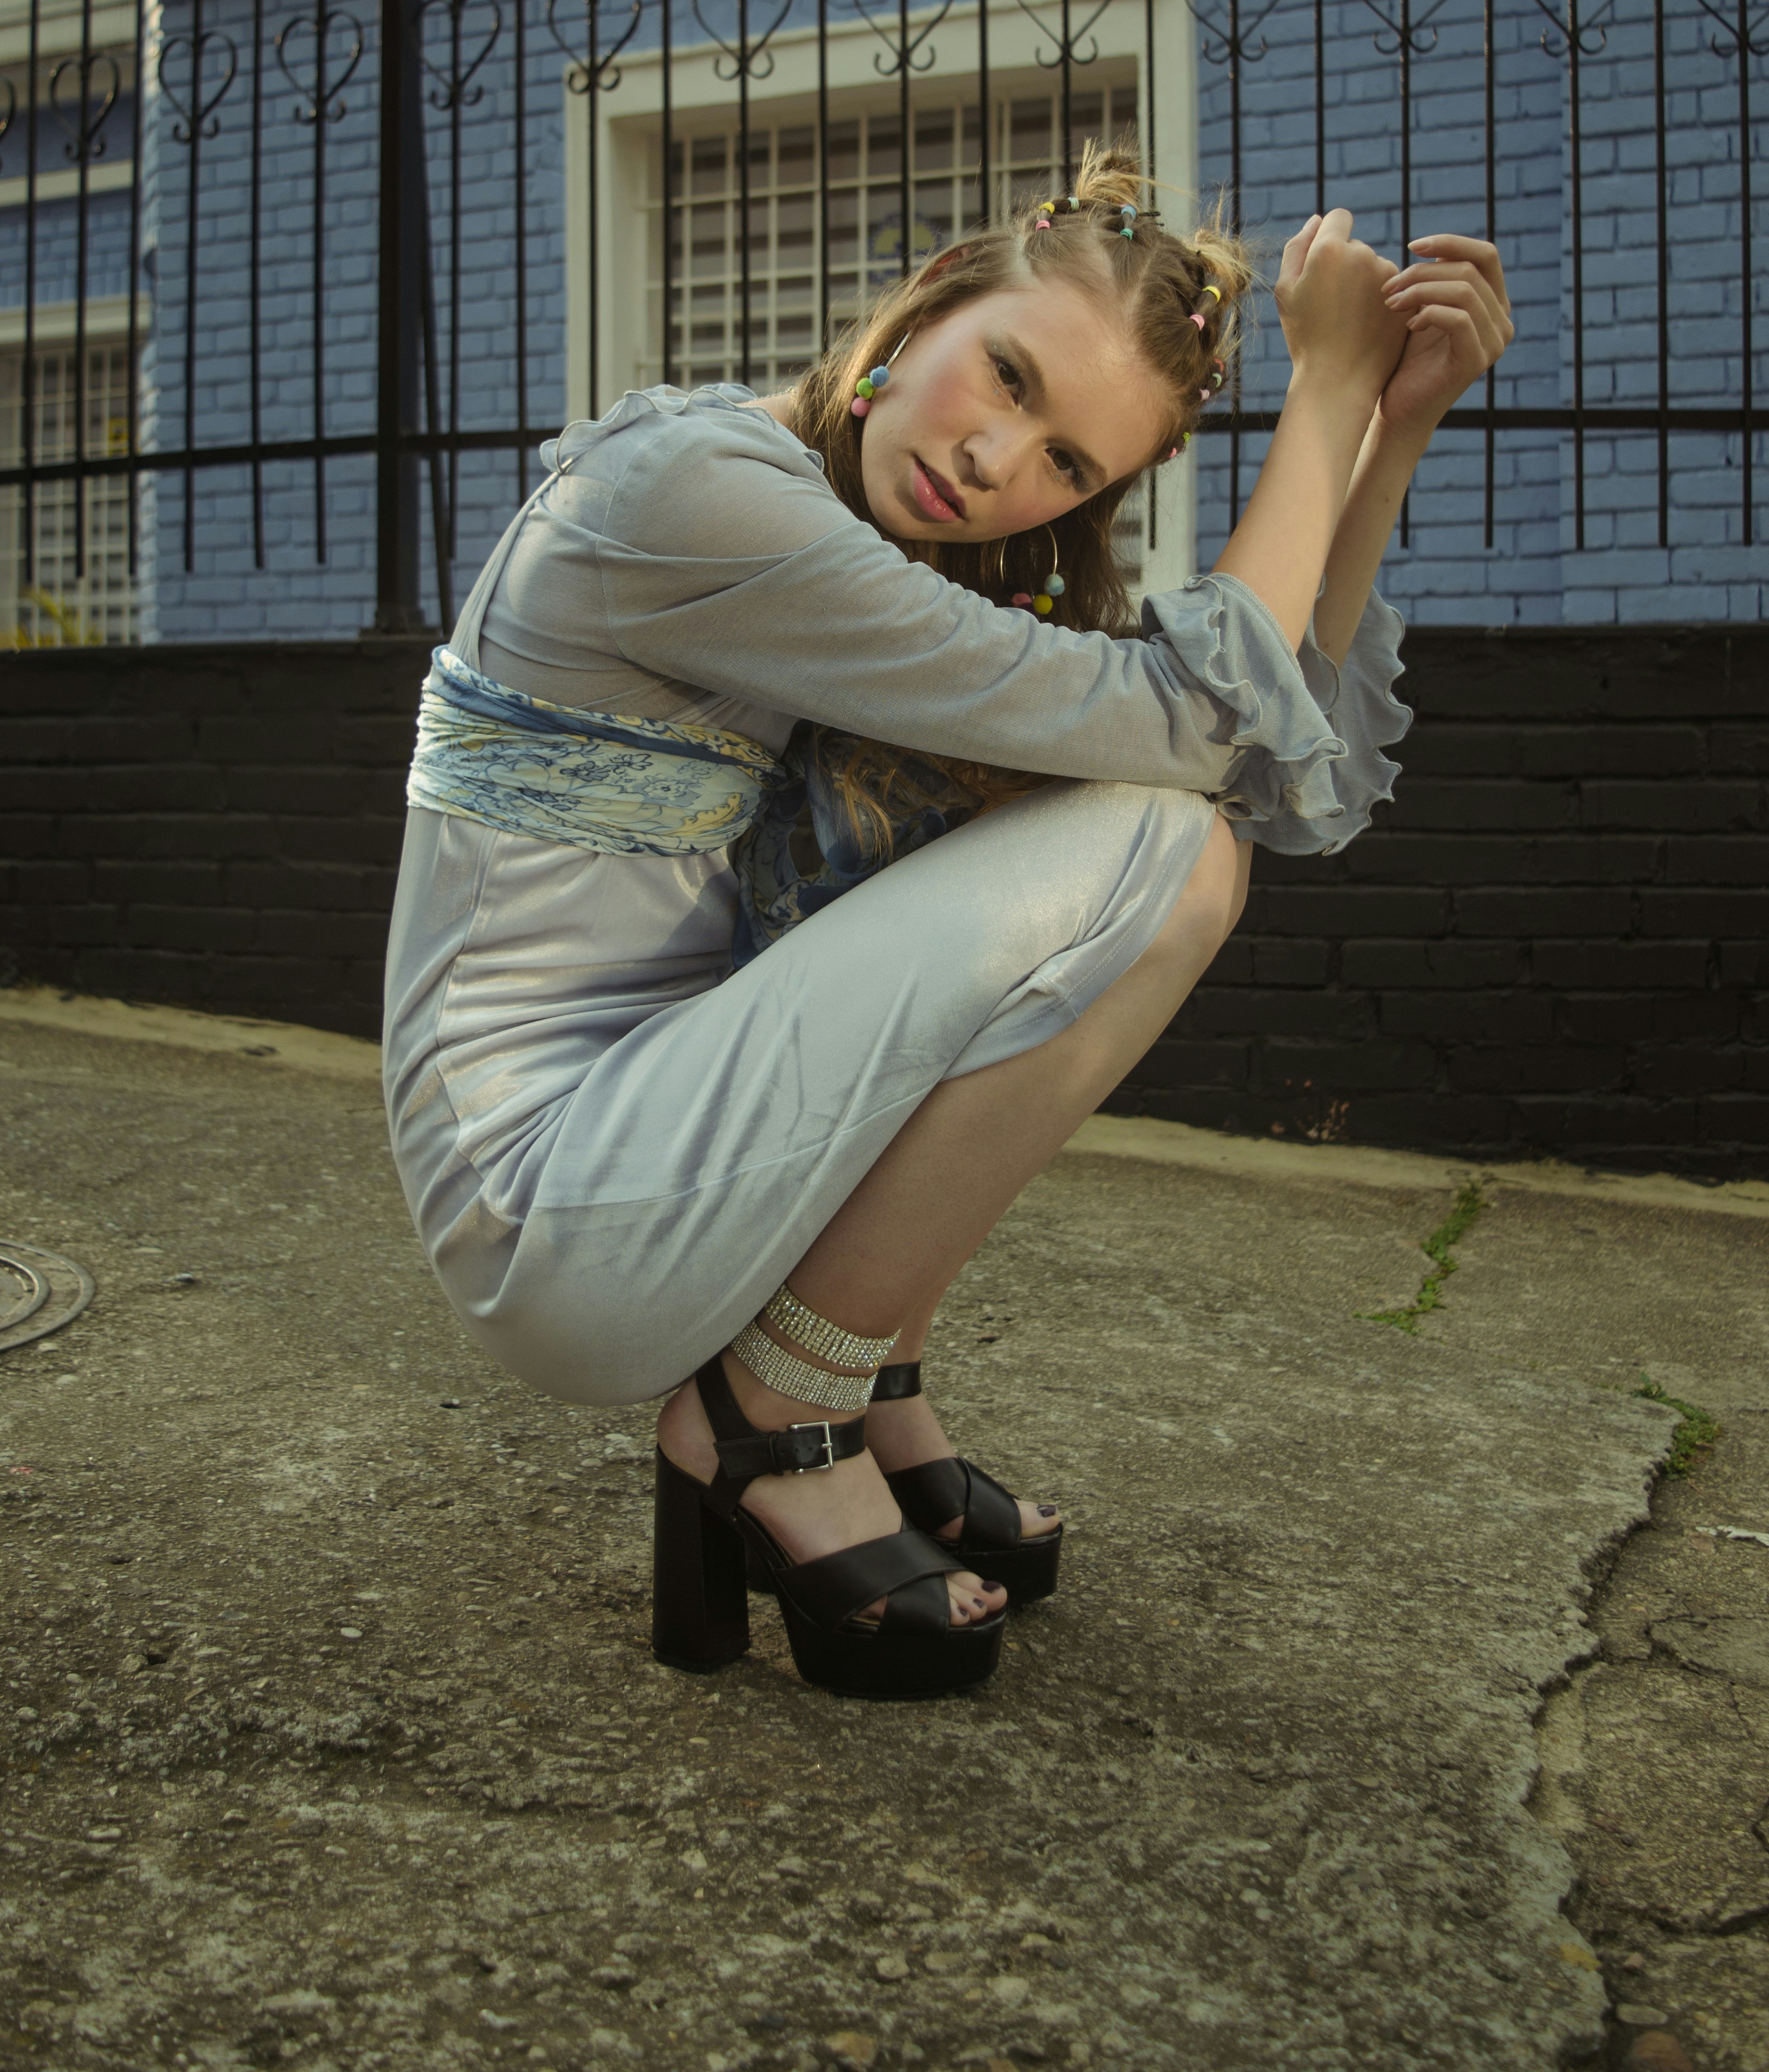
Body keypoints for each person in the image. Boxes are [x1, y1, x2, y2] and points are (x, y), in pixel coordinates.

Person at [382, 144, 1512, 1700]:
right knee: (1152, 854)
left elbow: (1266, 769)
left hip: (670, 1145)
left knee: (1154, 847)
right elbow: (1192, 738)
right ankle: (772, 1412)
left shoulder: (901, 565)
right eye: (1005, 376)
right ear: (927, 310)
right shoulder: (703, 494)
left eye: (1065, 463)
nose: (999, 463)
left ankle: (862, 1374)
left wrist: (1388, 429)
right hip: (547, 1198)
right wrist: (1320, 390)